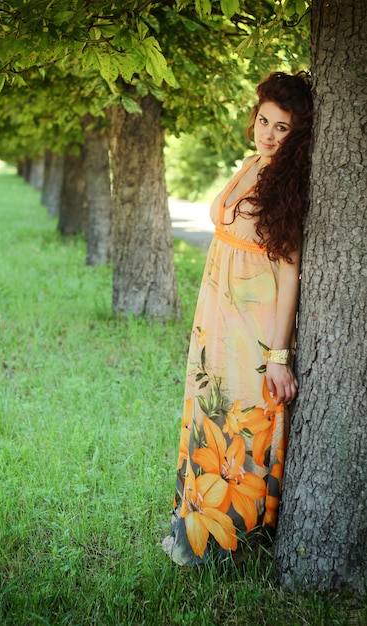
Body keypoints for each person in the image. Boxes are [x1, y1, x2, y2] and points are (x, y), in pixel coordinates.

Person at [162, 71, 313, 566]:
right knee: (211, 420)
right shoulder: (251, 164)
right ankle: (200, 528)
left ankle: (236, 546)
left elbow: (289, 276)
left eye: (282, 128)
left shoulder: (289, 184)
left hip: (253, 329)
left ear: (299, 134)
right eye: (263, 121)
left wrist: (278, 356)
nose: (268, 134)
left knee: (245, 427)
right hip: (215, 323)